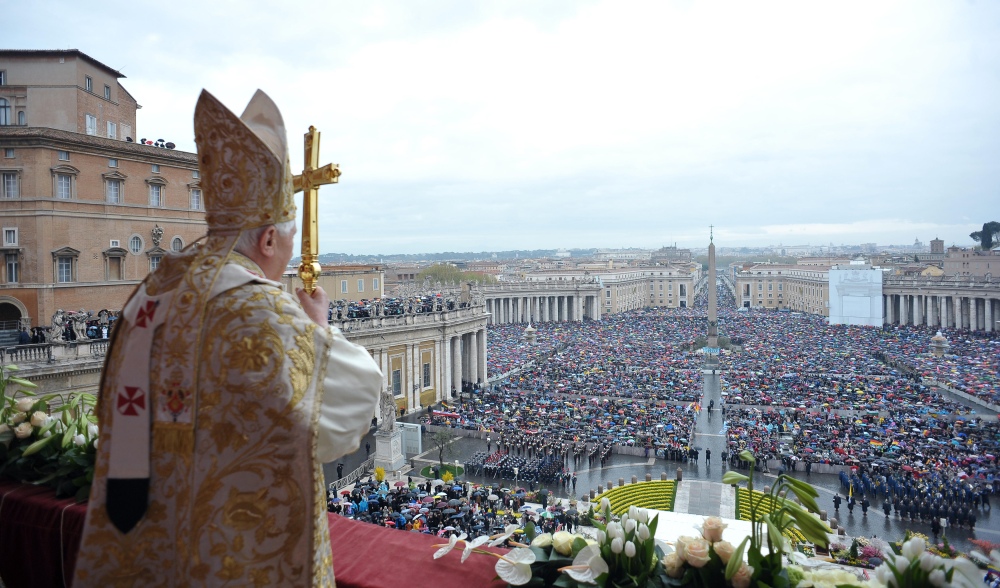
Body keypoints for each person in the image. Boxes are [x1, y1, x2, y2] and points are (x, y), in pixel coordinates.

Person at [73, 90, 382, 587]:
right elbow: (340, 423)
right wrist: (318, 329)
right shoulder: (262, 308)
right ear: (266, 240)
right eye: (286, 243)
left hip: (148, 546)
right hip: (239, 557)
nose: (284, 256)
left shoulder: (150, 298)